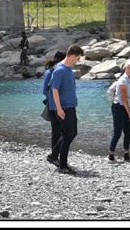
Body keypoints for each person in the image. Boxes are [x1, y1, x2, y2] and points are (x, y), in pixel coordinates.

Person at [49, 44, 84, 174]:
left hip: (71, 106)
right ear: (72, 55)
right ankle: (62, 165)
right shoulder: (60, 70)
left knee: (72, 133)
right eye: (78, 58)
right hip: (64, 108)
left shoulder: (68, 69)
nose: (78, 60)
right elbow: (54, 89)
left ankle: (53, 155)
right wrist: (59, 108)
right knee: (68, 134)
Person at [108, 60, 130, 163]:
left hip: (125, 106)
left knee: (128, 132)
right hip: (118, 107)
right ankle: (111, 155)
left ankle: (126, 155)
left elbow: (129, 98)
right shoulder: (123, 81)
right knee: (117, 132)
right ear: (125, 68)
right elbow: (123, 99)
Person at [42, 51, 66, 166]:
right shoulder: (49, 72)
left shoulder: (57, 71)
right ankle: (54, 155)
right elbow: (44, 90)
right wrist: (54, 100)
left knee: (61, 131)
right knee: (57, 131)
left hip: (60, 105)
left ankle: (56, 154)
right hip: (53, 106)